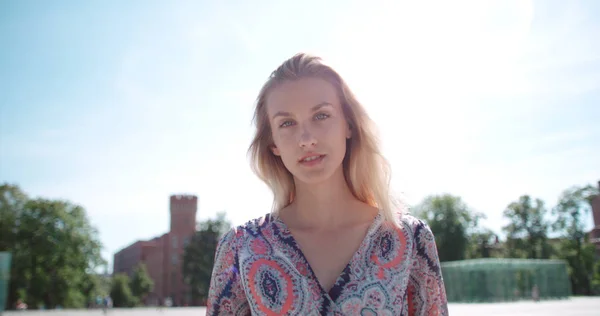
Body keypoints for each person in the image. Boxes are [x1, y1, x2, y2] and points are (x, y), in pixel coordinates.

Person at [206, 53, 448, 315]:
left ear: (349, 125)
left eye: (321, 116)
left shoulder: (411, 240)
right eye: (287, 123)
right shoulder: (240, 248)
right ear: (273, 143)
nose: (306, 139)